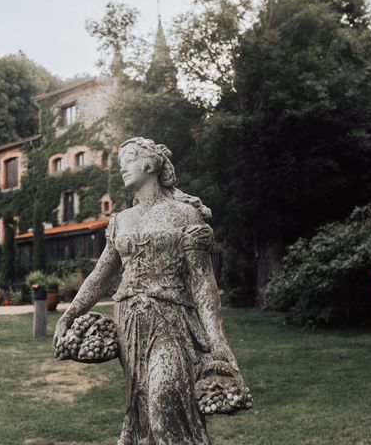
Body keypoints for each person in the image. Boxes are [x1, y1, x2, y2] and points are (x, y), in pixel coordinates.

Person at [53, 137, 243, 445]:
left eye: (128, 160)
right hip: (130, 323)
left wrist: (218, 343)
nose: (122, 169)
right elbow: (101, 274)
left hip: (172, 321)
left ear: (150, 164)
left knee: (164, 398)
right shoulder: (121, 221)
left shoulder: (184, 215)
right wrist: (72, 312)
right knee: (142, 408)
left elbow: (203, 282)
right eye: (120, 164)